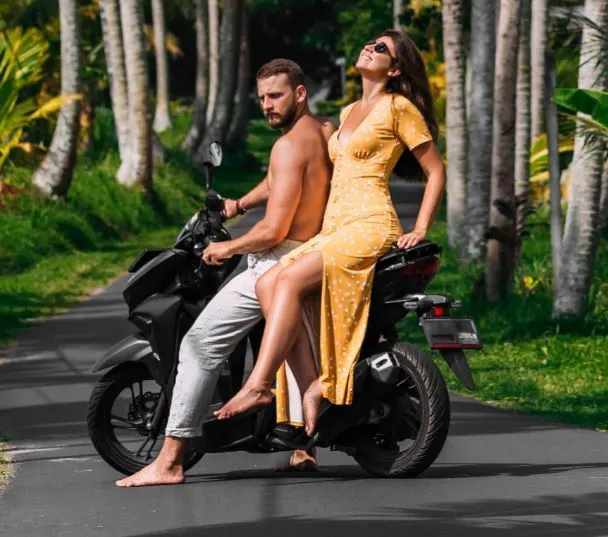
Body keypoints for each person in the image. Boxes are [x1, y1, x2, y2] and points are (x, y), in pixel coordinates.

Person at [215, 30, 446, 436]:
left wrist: (421, 226)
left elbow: (435, 170)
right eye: (370, 43)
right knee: (269, 283)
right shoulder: (347, 112)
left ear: (393, 69)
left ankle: (258, 385)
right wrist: (239, 205)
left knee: (285, 280)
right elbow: (293, 174)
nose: (369, 48)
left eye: (381, 49)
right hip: (336, 226)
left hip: (370, 223)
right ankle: (313, 386)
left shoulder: (399, 108)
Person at [117, 59, 334, 487]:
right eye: (262, 99)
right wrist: (239, 205)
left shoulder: (287, 146)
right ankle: (302, 446)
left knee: (200, 346)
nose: (268, 106)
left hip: (278, 260)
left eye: (276, 96)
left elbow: (274, 230)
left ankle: (170, 461)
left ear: (300, 93)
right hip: (314, 256)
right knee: (290, 337)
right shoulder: (322, 133)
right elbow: (283, 181)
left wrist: (227, 247)